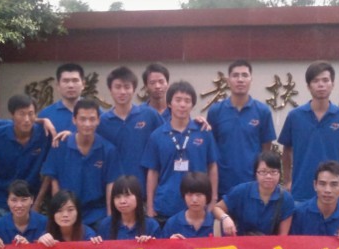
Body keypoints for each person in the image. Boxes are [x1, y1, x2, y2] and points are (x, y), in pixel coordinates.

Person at [142, 81, 219, 225]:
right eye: (178, 100)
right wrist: (150, 206)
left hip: (198, 206)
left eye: (187, 101)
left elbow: (212, 166)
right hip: (166, 205)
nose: (182, 105)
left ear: (192, 105)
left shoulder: (204, 132)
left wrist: (213, 199)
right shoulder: (157, 136)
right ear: (169, 103)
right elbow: (152, 172)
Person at [278, 61, 339, 203]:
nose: (321, 85)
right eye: (315, 81)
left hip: (333, 192)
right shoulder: (295, 116)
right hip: (301, 191)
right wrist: (288, 180)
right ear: (308, 86)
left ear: (333, 84)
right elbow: (286, 151)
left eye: (325, 80)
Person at [40, 97, 119, 226]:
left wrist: (110, 219)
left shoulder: (108, 150)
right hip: (67, 213)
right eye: (82, 119)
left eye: (92, 119)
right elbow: (54, 182)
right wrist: (60, 214)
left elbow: (111, 185)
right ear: (74, 120)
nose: (87, 124)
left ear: (98, 120)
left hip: (97, 214)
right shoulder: (60, 146)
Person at [207, 60, 277, 198]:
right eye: (235, 75)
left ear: (251, 80)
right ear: (228, 80)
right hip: (223, 185)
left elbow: (266, 150)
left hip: (252, 184)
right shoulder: (216, 111)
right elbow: (210, 149)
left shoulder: (262, 111)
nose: (240, 80)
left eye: (245, 75)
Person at [96, 66, 165, 187]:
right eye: (118, 87)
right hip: (114, 189)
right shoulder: (102, 122)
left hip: (144, 187)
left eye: (127, 87)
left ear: (133, 89)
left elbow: (168, 137)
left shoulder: (149, 115)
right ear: (110, 89)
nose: (122, 92)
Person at [0, 94, 53, 215]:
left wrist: (37, 203)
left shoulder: (44, 134)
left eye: (31, 113)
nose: (27, 119)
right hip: (2, 198)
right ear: (12, 115)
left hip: (31, 198)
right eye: (21, 114)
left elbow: (50, 171)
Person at [94, 175, 161, 241]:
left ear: (138, 197)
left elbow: (160, 247)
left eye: (127, 195)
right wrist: (96, 243)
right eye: (117, 197)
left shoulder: (151, 225)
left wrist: (150, 243)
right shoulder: (105, 225)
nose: (122, 201)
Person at [0, 180, 48, 247]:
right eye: (14, 200)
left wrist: (29, 246)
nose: (19, 205)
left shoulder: (44, 222)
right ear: (7, 201)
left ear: (32, 200)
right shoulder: (0, 224)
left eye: (24, 200)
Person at [37, 190, 102, 246]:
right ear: (52, 214)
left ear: (78, 212)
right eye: (59, 211)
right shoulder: (47, 235)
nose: (65, 215)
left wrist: (96, 244)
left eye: (70, 210)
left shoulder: (87, 234)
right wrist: (40, 244)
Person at [40, 62, 87, 136]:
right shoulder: (46, 114)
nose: (70, 85)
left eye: (75, 80)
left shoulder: (96, 112)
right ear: (58, 85)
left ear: (83, 84)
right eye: (66, 81)